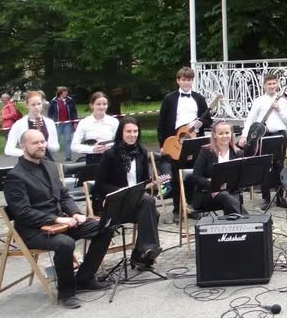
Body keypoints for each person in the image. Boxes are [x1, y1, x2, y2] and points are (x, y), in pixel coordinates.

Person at [3, 129, 113, 309]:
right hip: (33, 230)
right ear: (23, 146)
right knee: (65, 243)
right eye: (35, 143)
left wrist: (75, 213)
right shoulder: (16, 176)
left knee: (105, 226)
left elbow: (63, 195)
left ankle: (84, 278)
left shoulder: (49, 165)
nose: (41, 146)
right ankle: (66, 292)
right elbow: (22, 213)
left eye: (42, 141)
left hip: (61, 222)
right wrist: (56, 219)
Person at [93, 117, 162, 269]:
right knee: (150, 205)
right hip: (114, 203)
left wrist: (151, 184)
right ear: (121, 133)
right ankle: (144, 253)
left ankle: (141, 255)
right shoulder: (110, 154)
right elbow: (99, 185)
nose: (132, 134)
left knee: (151, 207)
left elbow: (143, 181)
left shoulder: (142, 152)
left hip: (134, 201)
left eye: (135, 131)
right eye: (128, 131)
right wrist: (121, 191)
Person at [157, 67, 212, 218]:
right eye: (183, 80)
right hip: (175, 142)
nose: (186, 83)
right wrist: (162, 145)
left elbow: (208, 119)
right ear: (178, 80)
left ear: (192, 81)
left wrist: (203, 124)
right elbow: (161, 123)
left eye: (189, 80)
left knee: (195, 174)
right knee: (176, 176)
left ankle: (193, 207)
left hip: (193, 141)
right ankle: (177, 210)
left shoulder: (199, 98)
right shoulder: (170, 98)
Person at [238, 73, 287, 209]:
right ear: (264, 86)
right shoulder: (259, 101)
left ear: (277, 85)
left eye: (274, 83)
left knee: (279, 166)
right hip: (264, 136)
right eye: (269, 84)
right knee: (265, 166)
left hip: (279, 135)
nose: (272, 86)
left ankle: (280, 197)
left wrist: (278, 109)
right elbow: (251, 119)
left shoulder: (283, 101)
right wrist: (244, 135)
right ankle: (266, 198)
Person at [192, 121, 244, 215]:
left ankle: (237, 225)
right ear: (215, 135)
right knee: (227, 198)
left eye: (227, 133)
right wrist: (213, 187)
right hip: (207, 194)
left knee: (230, 198)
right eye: (221, 133)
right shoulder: (205, 152)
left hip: (231, 192)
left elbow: (240, 177)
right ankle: (251, 222)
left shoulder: (238, 153)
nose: (224, 136)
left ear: (231, 134)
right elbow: (196, 177)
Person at [6, 91, 60, 160]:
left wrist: (47, 145)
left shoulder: (49, 122)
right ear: (27, 105)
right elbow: (8, 149)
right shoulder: (19, 124)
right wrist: (28, 153)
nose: (37, 107)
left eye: (39, 104)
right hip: (27, 163)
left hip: (47, 161)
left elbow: (56, 147)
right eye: (33, 105)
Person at [71, 92, 119, 165]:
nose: (102, 107)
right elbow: (74, 146)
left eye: (104, 104)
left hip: (111, 159)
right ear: (91, 105)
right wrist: (92, 149)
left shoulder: (114, 122)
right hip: (92, 160)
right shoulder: (84, 122)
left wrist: (109, 147)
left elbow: (120, 142)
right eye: (98, 104)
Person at [47, 87, 79, 162]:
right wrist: (50, 122)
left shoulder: (70, 100)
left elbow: (74, 111)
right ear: (60, 92)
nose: (66, 93)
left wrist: (75, 122)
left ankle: (68, 157)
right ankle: (51, 157)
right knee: (55, 140)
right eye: (65, 91)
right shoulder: (54, 101)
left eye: (67, 91)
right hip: (57, 124)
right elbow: (50, 113)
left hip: (67, 123)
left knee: (67, 140)